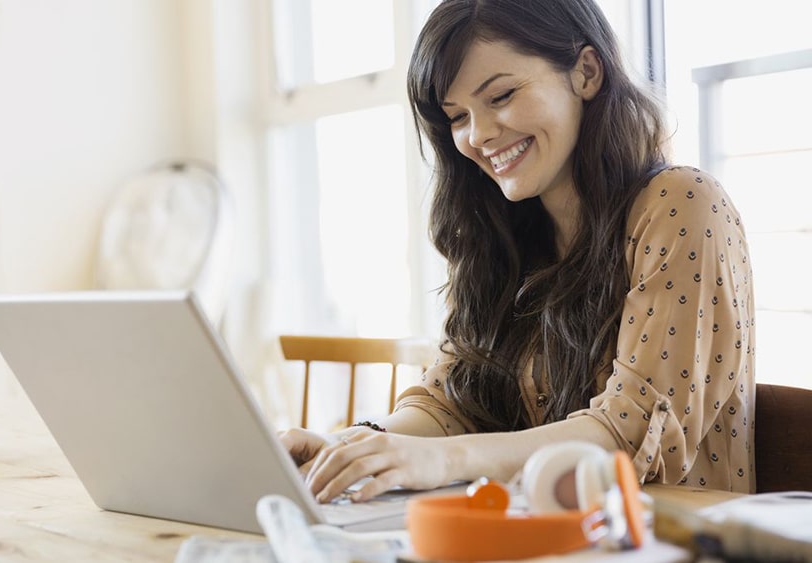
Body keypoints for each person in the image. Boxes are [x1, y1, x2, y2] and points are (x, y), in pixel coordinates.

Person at [280, 0, 756, 504]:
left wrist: (444, 459)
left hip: (667, 544)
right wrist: (354, 446)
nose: (478, 135)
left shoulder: (681, 203)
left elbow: (630, 434)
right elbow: (450, 398)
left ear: (586, 72)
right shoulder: (510, 233)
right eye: (457, 116)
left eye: (501, 95)